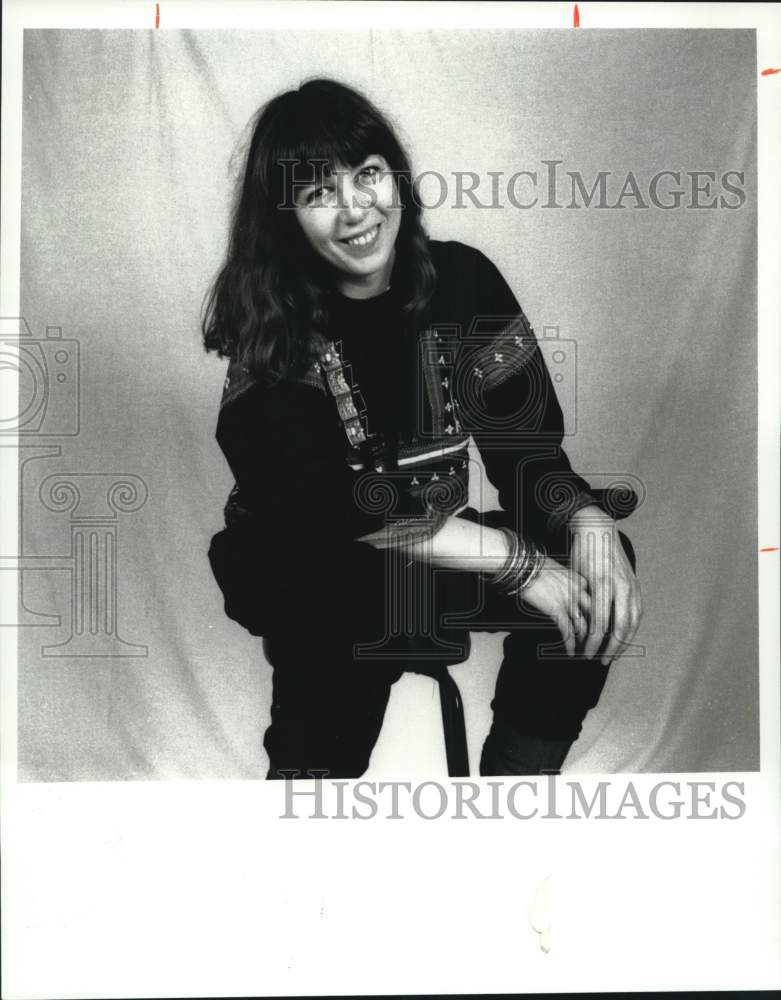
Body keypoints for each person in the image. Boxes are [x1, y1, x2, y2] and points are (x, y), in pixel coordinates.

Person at [203, 78, 642, 779]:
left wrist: (587, 519)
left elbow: (527, 453)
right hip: (313, 571)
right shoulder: (272, 327)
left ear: (396, 176)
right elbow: (339, 509)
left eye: (367, 173)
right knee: (345, 599)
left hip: (436, 554)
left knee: (591, 557)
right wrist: (519, 564)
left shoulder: (463, 281)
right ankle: (309, 810)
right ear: (286, 217)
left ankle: (515, 797)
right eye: (318, 192)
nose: (355, 208)